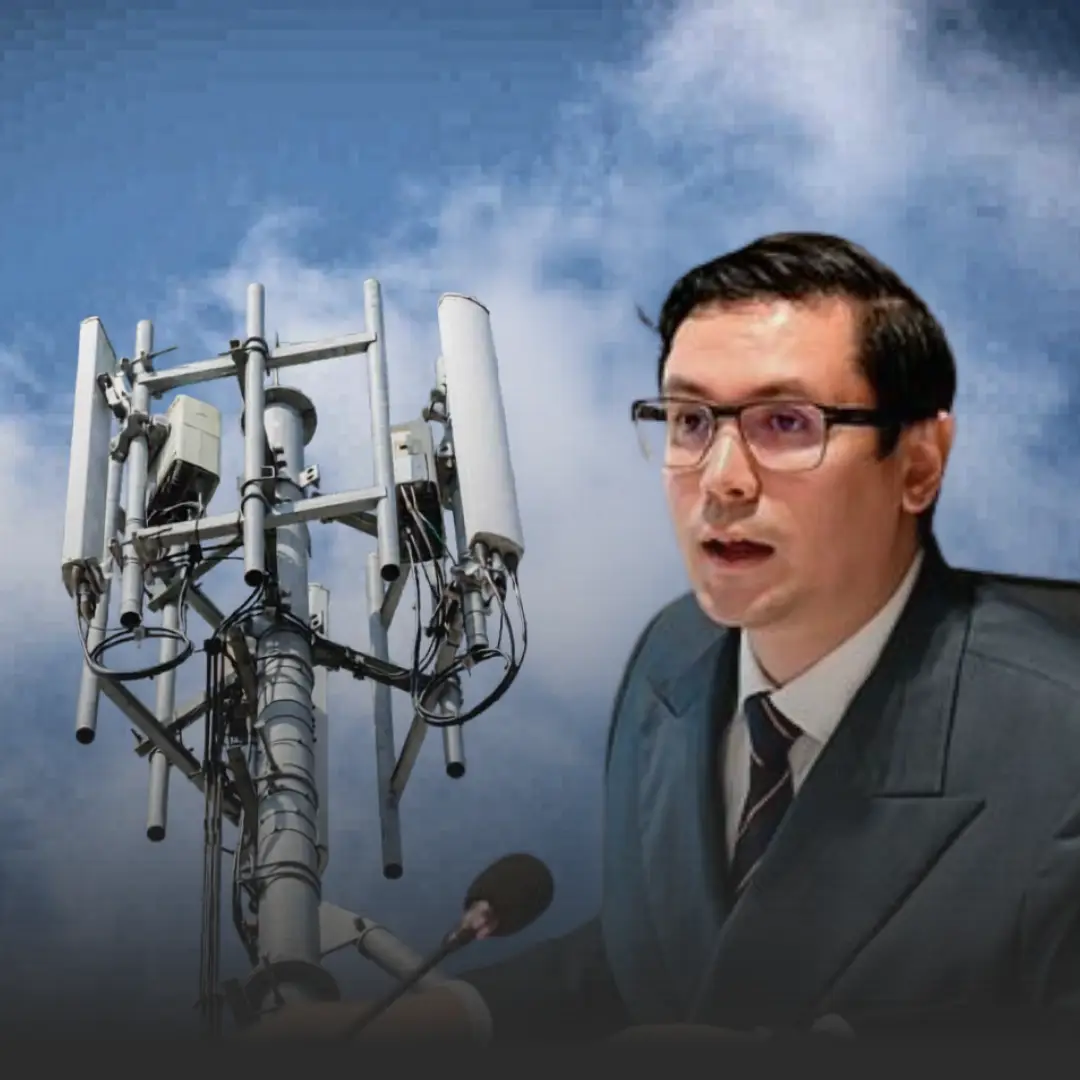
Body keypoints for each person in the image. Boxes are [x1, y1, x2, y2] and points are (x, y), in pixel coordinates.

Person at [254, 232, 1080, 1043]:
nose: (720, 477)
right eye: (689, 420)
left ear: (919, 463)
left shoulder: (1052, 730)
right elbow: (668, 954)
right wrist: (449, 1020)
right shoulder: (671, 666)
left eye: (786, 423)